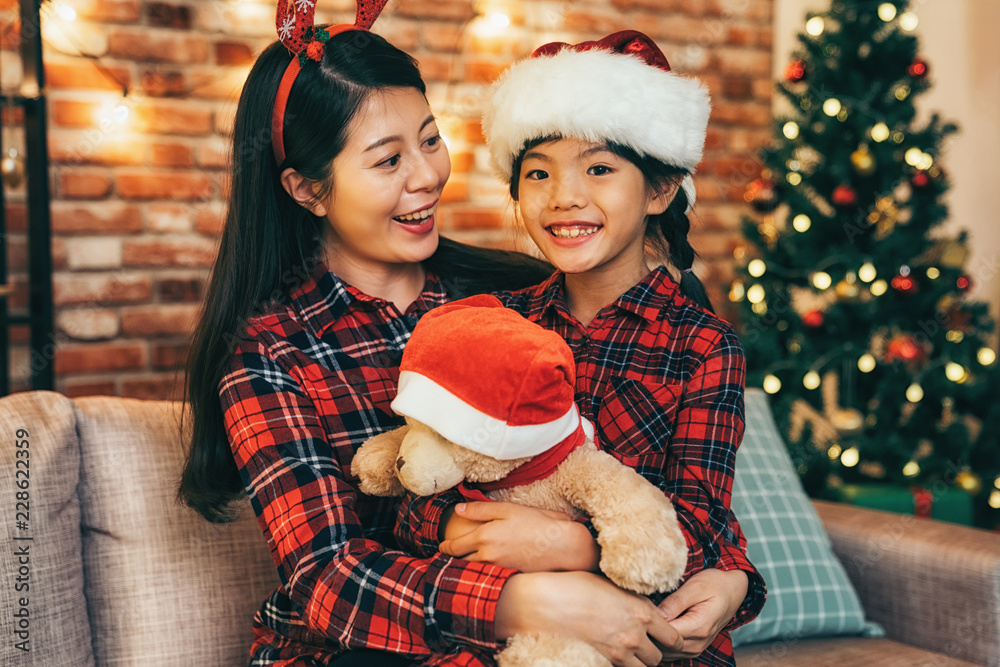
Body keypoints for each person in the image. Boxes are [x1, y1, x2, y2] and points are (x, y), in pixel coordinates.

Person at [178, 1, 699, 664]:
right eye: (387, 160)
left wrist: (619, 556)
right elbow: (328, 577)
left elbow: (624, 467)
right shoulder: (271, 353)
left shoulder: (516, 296)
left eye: (429, 139)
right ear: (307, 189)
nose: (427, 176)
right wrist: (532, 599)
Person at [394, 31, 766, 666]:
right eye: (538, 172)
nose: (563, 196)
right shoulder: (494, 321)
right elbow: (418, 497)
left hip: (650, 635)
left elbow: (699, 530)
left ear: (660, 190)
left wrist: (570, 544)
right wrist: (450, 526)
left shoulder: (704, 345)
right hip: (512, 626)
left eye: (599, 168)